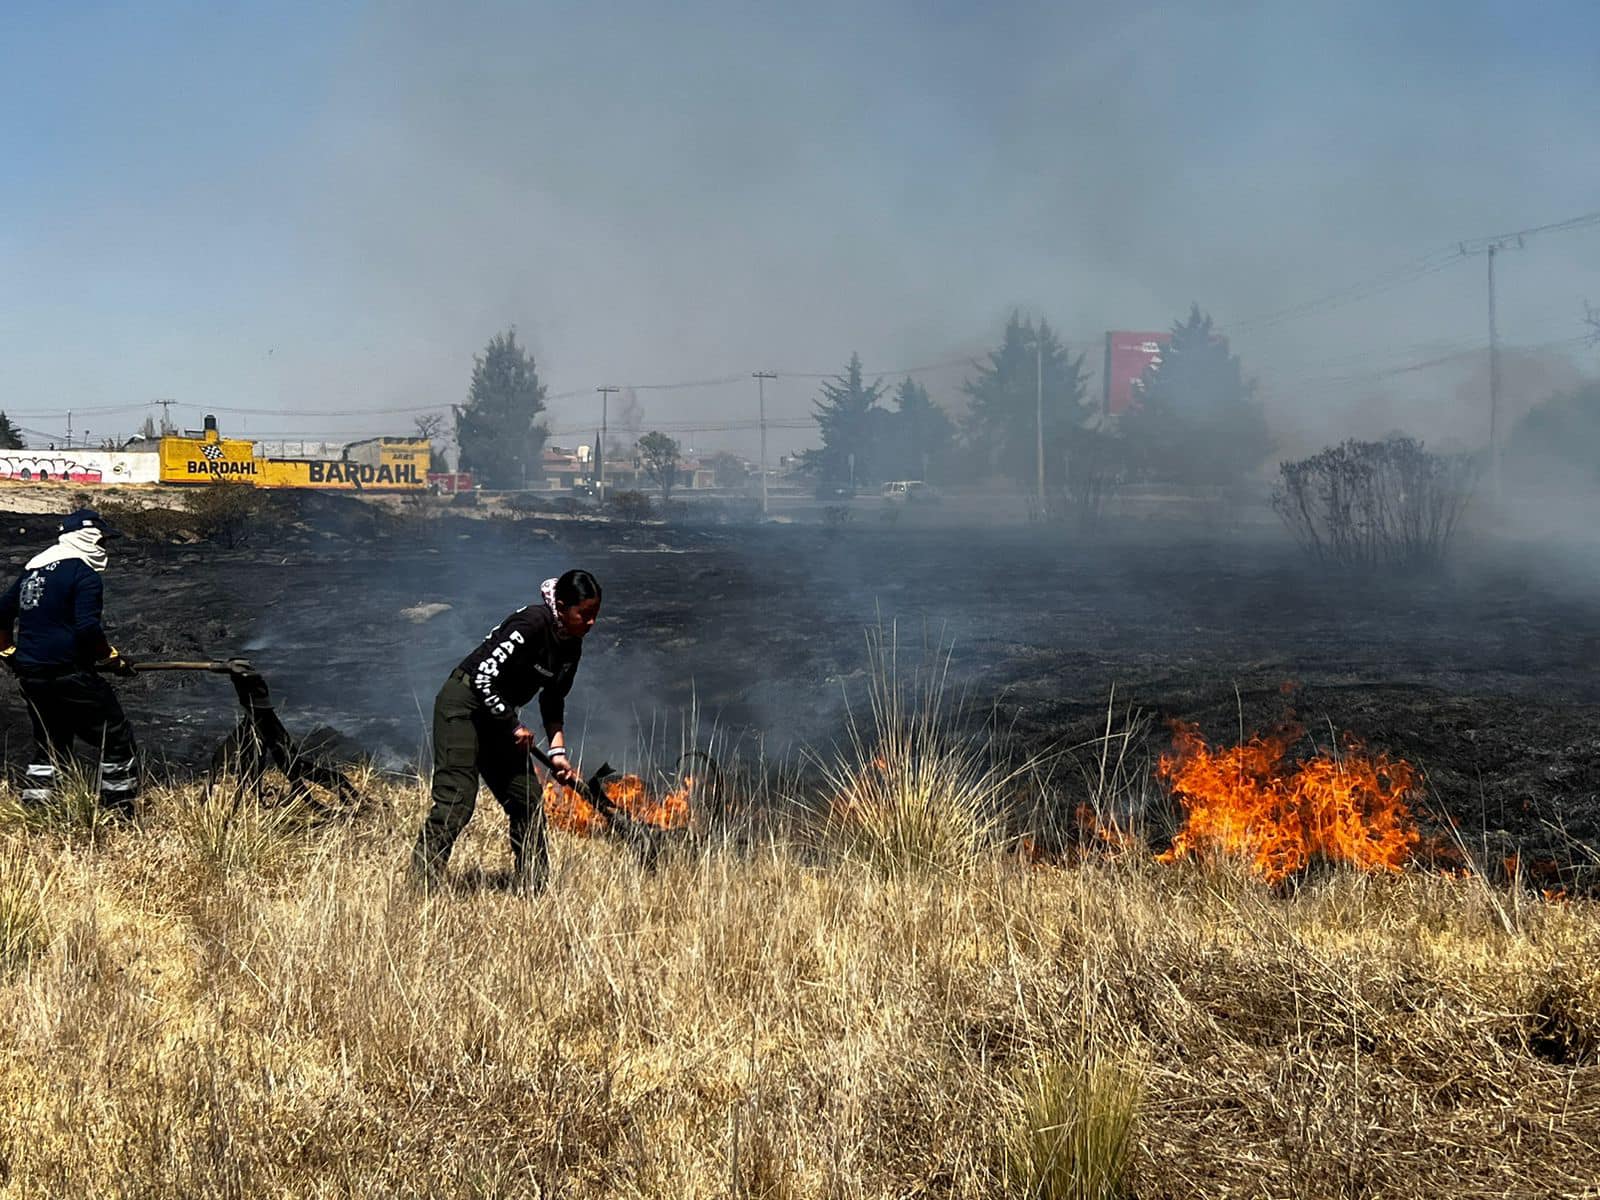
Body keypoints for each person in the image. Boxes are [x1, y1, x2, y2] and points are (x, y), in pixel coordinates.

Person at [411, 568, 601, 891]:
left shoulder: (572, 646)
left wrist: (558, 754)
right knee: (457, 800)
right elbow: (483, 677)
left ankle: (534, 888)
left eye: (595, 615)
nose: (591, 622)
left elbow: (553, 700)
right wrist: (512, 725)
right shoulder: (530, 624)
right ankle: (422, 886)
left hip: (499, 717)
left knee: (527, 799)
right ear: (563, 605)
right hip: (465, 705)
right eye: (585, 614)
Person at [0, 509, 139, 815]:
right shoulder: (83, 574)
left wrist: (8, 652)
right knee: (114, 733)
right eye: (102, 540)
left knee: (51, 739)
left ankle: (37, 808)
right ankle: (117, 810)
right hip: (69, 671)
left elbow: (1, 612)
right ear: (87, 537)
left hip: (32, 675)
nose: (105, 547)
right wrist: (111, 659)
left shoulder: (32, 570)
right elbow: (87, 628)